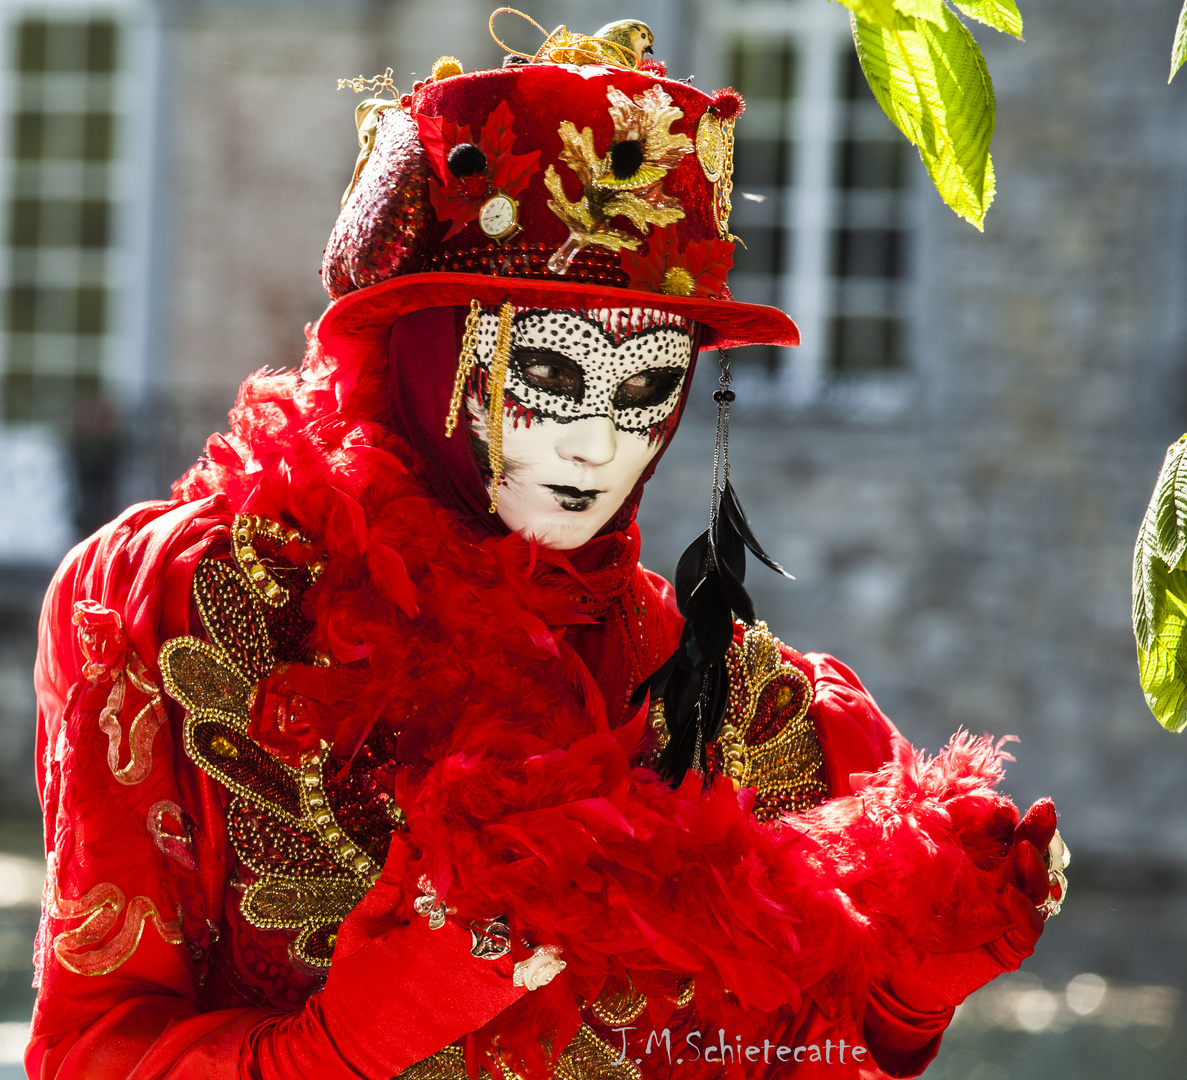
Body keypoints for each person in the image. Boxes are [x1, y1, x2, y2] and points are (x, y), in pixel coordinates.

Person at [27, 17, 1066, 1080]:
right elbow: (90, 1049)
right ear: (430, 352)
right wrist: (334, 1047)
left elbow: (760, 1049)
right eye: (548, 376)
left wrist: (893, 992)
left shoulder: (741, 709)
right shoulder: (197, 609)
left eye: (646, 387)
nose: (597, 441)